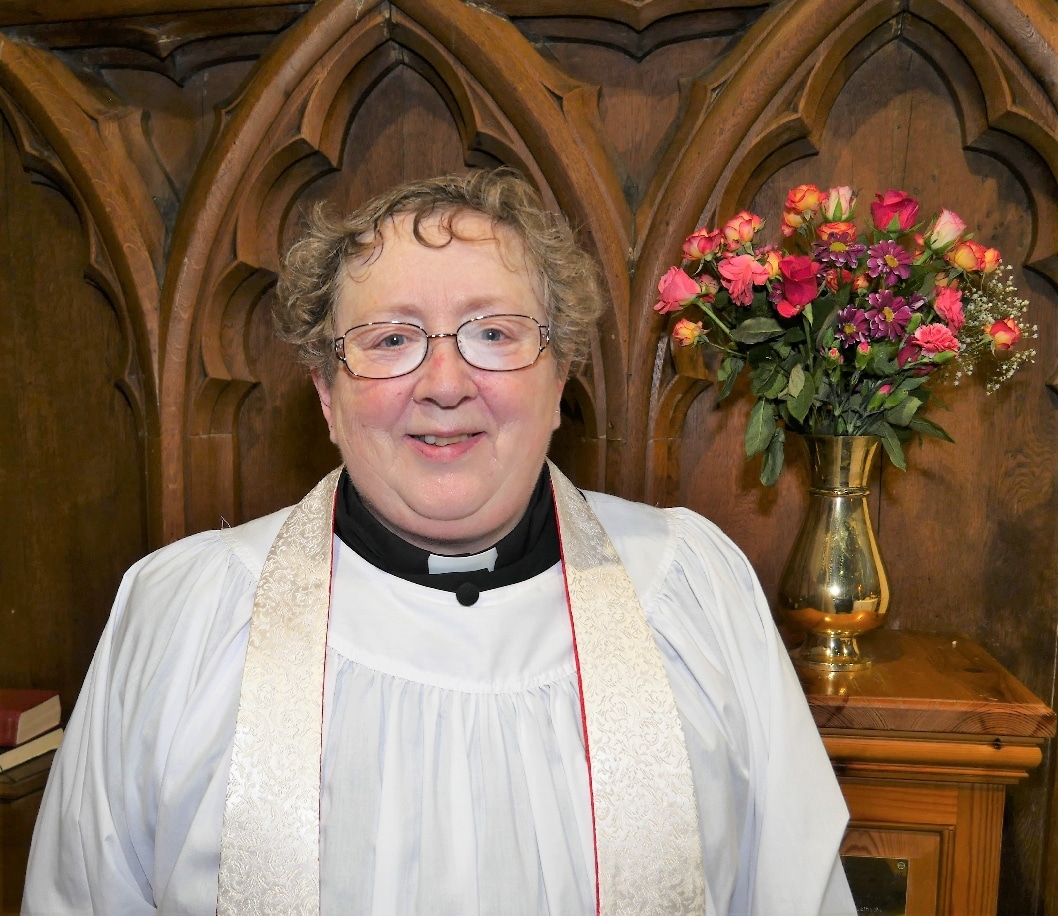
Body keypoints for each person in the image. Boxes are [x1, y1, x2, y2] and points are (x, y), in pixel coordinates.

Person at [23, 170, 855, 915]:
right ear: (326, 393)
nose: (445, 385)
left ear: (560, 377)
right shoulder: (186, 616)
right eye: (391, 339)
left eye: (494, 333)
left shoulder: (690, 594)